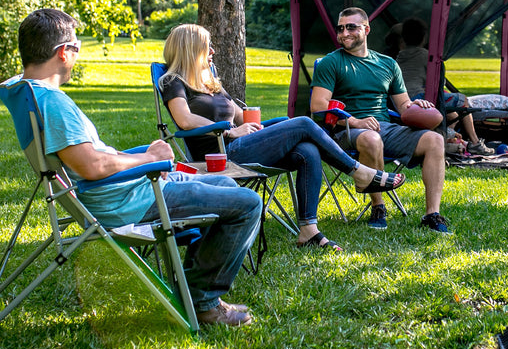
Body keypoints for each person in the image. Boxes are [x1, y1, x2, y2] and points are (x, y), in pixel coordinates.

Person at [15, 9, 260, 327]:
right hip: (128, 201)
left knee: (226, 186)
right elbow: (93, 166)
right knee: (248, 204)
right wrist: (148, 159)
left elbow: (94, 157)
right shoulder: (54, 103)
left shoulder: (29, 92)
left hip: (124, 190)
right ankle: (202, 302)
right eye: (76, 46)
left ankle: (193, 290)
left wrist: (144, 154)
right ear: (64, 52)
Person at [160, 24, 404, 253]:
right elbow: (185, 120)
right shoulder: (174, 81)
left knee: (307, 149)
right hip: (220, 157)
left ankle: (308, 230)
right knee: (304, 123)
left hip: (240, 145)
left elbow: (241, 117)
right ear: (190, 49)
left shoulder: (210, 83)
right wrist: (229, 131)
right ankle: (359, 172)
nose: (212, 51)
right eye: (207, 46)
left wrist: (254, 124)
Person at [310, 7, 450, 233]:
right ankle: (378, 206)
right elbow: (318, 106)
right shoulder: (330, 63)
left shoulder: (388, 64)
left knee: (434, 140)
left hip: (384, 126)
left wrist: (416, 106)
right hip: (345, 129)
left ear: (366, 29)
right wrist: (355, 121)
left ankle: (432, 214)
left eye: (351, 27)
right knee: (372, 138)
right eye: (341, 28)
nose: (344, 33)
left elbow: (403, 105)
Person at [395, 17, 494, 156]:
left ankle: (448, 136)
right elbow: (440, 82)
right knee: (463, 100)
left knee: (451, 113)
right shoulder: (425, 56)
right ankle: (475, 143)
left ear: (404, 38)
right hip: (420, 98)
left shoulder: (399, 56)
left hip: (402, 100)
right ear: (424, 37)